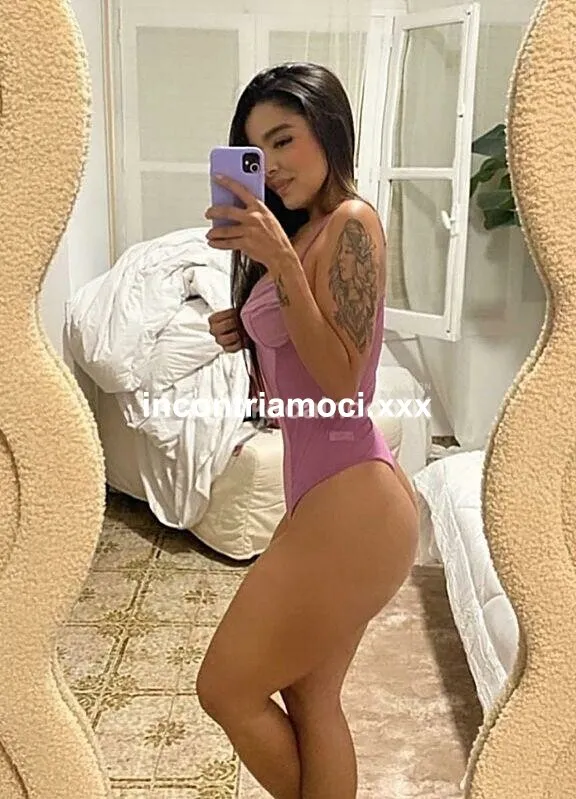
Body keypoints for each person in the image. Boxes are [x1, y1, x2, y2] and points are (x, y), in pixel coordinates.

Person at [197, 62, 420, 799]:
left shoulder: (351, 223)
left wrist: (280, 266)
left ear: (328, 128)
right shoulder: (306, 234)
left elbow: (343, 384)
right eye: (256, 149)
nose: (272, 165)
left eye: (284, 139)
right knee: (310, 694)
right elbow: (301, 365)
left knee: (224, 687)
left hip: (354, 498)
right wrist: (250, 331)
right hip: (324, 491)